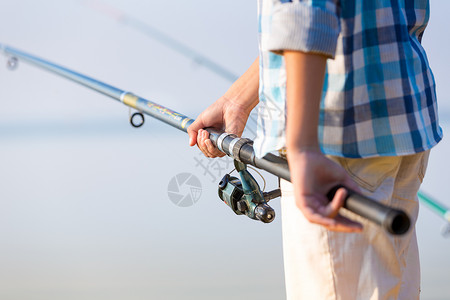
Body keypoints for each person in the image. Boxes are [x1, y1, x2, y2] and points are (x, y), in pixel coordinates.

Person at [187, 0, 442, 299]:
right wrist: (237, 101)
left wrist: (303, 146)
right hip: (404, 120)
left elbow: (303, 13)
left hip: (333, 141)